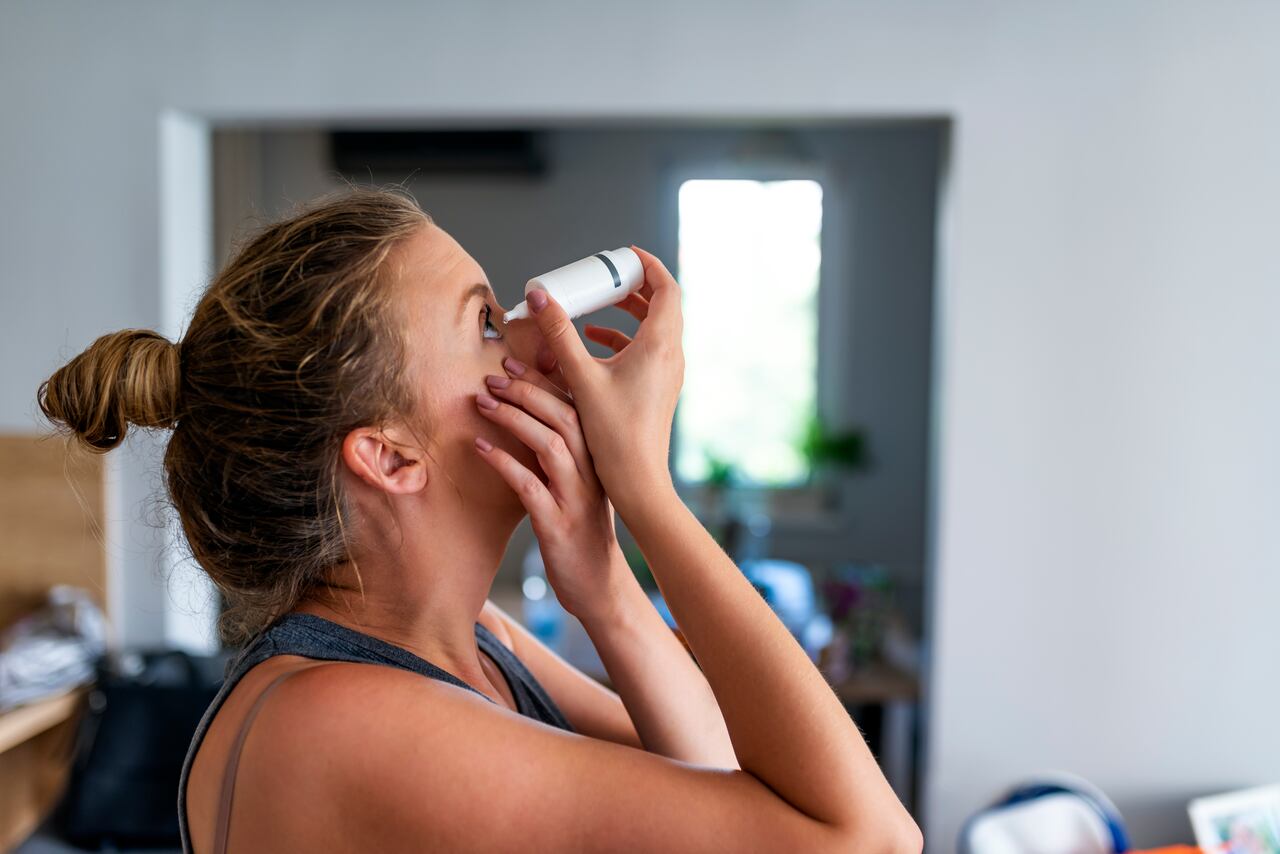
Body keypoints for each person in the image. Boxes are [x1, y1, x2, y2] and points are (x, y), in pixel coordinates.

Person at [37, 187, 921, 853]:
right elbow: (864, 840)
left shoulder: (472, 639)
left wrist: (608, 589)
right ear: (389, 455)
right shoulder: (344, 722)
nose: (545, 339)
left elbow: (724, 784)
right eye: (489, 324)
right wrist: (648, 493)